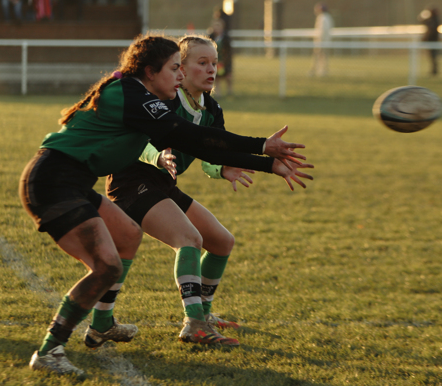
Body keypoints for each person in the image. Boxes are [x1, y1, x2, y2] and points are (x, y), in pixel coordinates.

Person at [19, 34, 310, 375]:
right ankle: (50, 351)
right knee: (107, 265)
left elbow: (204, 146)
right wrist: (261, 146)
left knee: (128, 235)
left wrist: (267, 161)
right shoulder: (129, 93)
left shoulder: (147, 97)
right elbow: (186, 136)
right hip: (54, 181)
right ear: (150, 71)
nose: (179, 76)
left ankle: (102, 325)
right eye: (175, 68)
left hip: (76, 182)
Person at [102, 35, 313, 347]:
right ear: (181, 70)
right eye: (202, 63)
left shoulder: (211, 108)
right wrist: (157, 156)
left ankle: (204, 314)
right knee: (188, 240)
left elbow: (217, 148)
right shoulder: (164, 101)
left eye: (214, 62)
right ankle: (194, 324)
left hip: (161, 186)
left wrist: (269, 165)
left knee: (221, 241)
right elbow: (138, 142)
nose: (212, 69)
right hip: (131, 181)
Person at [208, 16, 233, 97]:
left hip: (224, 60)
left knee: (228, 76)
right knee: (217, 77)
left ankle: (230, 91)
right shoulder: (211, 37)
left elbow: (229, 51)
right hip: (215, 60)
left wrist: (227, 61)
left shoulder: (225, 38)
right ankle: (218, 92)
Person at [309, 3, 334, 77]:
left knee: (320, 56)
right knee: (322, 56)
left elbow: (322, 31)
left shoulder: (323, 18)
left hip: (321, 41)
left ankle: (319, 70)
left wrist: (319, 40)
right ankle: (319, 70)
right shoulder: (327, 17)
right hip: (324, 40)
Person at [419, 7, 441, 76]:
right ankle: (434, 71)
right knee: (432, 57)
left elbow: (431, 30)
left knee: (433, 57)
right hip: (432, 40)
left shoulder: (434, 20)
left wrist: (425, 39)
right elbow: (424, 22)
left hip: (433, 40)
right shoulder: (433, 20)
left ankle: (434, 71)